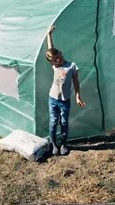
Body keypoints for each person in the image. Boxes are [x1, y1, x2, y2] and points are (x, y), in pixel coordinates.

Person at [46, 25, 86, 156]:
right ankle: (53, 144)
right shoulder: (55, 66)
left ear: (61, 53)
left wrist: (78, 95)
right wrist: (49, 35)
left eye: (59, 57)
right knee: (53, 122)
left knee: (63, 122)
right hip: (53, 99)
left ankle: (63, 144)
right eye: (55, 60)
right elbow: (50, 50)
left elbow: (75, 81)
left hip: (65, 100)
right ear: (52, 62)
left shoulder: (71, 66)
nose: (58, 60)